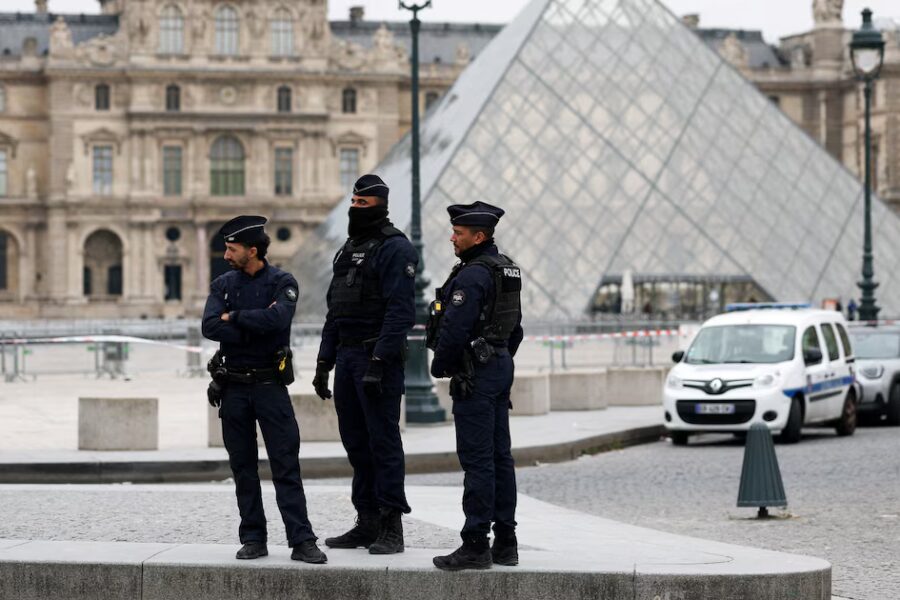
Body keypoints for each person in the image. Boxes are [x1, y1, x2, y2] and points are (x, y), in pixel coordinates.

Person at [201, 215, 326, 564]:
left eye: (232, 249)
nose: (225, 255)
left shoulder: (282, 281)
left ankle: (302, 539)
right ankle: (253, 537)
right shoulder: (223, 284)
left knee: (286, 465)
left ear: (252, 250)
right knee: (243, 468)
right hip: (234, 387)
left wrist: (234, 317)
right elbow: (210, 326)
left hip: (271, 386)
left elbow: (278, 322)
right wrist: (254, 321)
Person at [313, 175, 418, 554]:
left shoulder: (395, 248)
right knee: (356, 444)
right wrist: (324, 361)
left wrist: (379, 360)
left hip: (377, 358)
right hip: (346, 356)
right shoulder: (347, 249)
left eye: (362, 204)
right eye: (353, 203)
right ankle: (367, 520)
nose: (355, 210)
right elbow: (335, 309)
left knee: (383, 443)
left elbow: (400, 312)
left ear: (380, 205)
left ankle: (392, 525)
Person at [428, 201, 523, 571]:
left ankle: (475, 544)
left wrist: (444, 365)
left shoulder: (472, 275)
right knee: (501, 457)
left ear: (478, 236)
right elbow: (516, 328)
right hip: (499, 365)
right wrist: (498, 356)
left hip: (476, 374)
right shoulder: (507, 269)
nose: (452, 237)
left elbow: (453, 330)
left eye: (459, 233)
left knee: (478, 461)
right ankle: (506, 542)